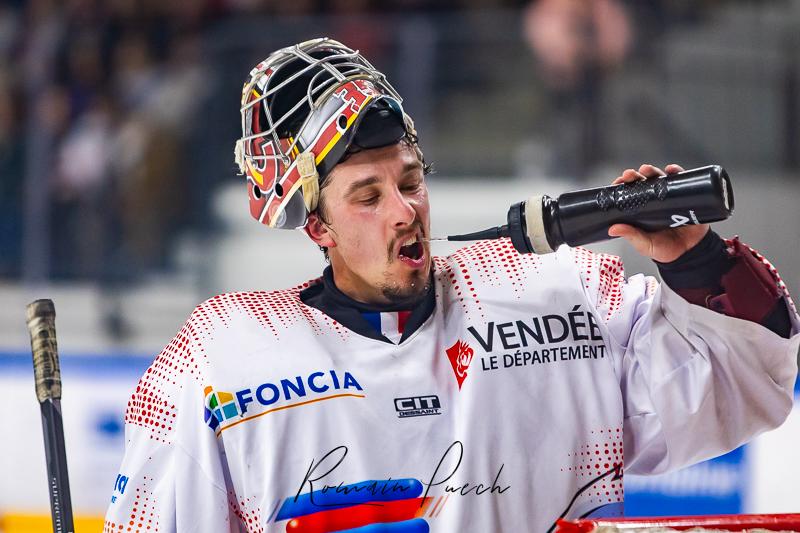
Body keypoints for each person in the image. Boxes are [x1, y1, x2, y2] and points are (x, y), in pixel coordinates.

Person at [104, 38, 799, 533]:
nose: (406, 210)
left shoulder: (559, 298)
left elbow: (752, 382)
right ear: (315, 226)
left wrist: (695, 260)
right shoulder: (218, 359)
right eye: (368, 195)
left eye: (410, 180)